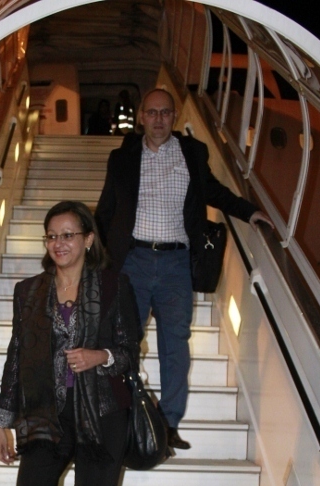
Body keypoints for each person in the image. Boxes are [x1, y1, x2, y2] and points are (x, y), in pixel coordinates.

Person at [0, 200, 140, 486]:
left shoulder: (115, 286)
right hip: (46, 417)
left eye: (68, 235)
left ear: (88, 239)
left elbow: (130, 352)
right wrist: (4, 419)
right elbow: (17, 356)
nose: (59, 243)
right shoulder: (29, 291)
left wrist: (101, 356)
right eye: (52, 236)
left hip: (102, 416)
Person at [95, 88, 273, 449]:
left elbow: (215, 192)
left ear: (173, 117)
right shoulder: (122, 158)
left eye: (165, 113)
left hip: (177, 262)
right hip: (134, 261)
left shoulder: (193, 153)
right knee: (123, 340)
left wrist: (250, 212)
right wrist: (93, 258)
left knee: (175, 344)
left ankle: (168, 422)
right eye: (152, 112)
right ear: (142, 117)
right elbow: (106, 209)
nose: (159, 119)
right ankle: (126, 416)